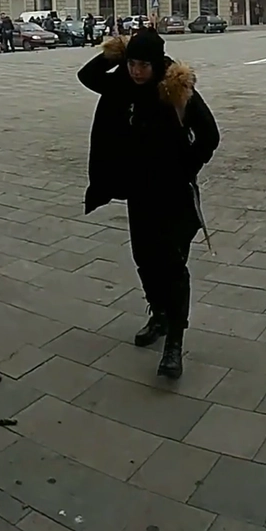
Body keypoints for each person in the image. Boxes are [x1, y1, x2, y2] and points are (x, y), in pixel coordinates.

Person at [79, 27, 219, 380]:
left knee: (171, 265)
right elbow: (88, 76)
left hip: (172, 194)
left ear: (157, 64)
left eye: (143, 64)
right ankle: (158, 314)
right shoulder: (123, 85)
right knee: (144, 259)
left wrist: (186, 166)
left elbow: (209, 135)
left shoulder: (175, 90)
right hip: (139, 191)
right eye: (131, 64)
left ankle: (175, 339)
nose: (136, 71)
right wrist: (115, 51)